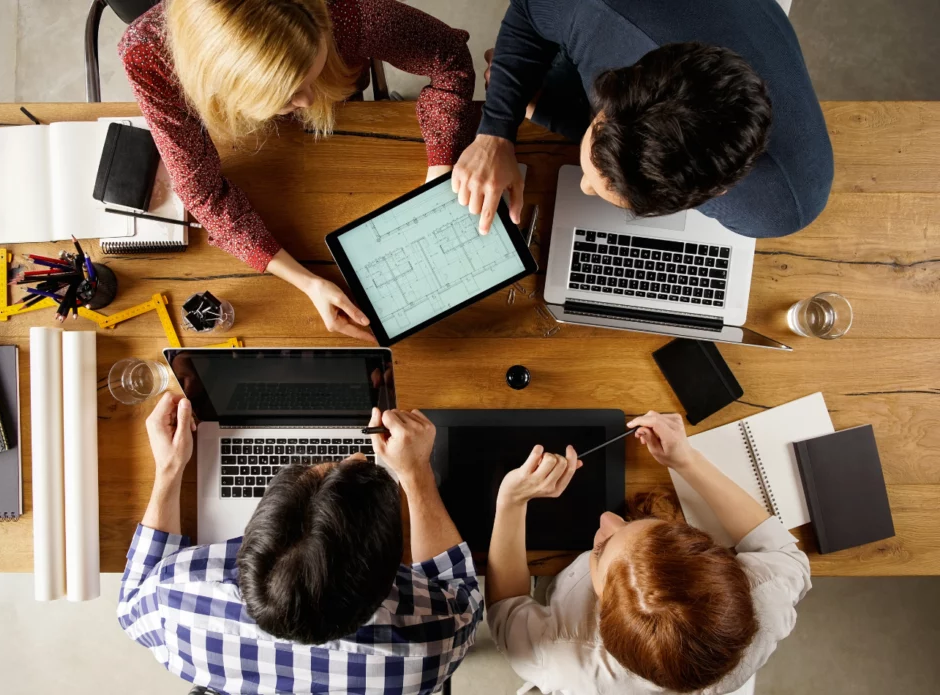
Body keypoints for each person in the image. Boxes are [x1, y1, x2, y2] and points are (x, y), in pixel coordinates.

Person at [119, 0, 477, 342]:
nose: (307, 102)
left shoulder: (344, 14)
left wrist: (440, 169)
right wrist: (307, 282)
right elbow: (202, 193)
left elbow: (450, 59)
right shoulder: (149, 56)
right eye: (289, 94)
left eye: (310, 75)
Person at [118, 394, 482, 695]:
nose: (353, 457)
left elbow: (130, 602)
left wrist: (168, 468)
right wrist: (416, 473)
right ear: (390, 574)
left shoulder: (173, 606)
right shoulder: (433, 647)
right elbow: (460, 591)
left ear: (249, 545)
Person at [486, 411, 811, 695]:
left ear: (603, 615)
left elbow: (506, 609)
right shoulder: (766, 596)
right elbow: (779, 550)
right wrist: (686, 459)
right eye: (653, 525)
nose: (607, 518)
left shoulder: (561, 657)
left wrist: (511, 502)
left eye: (600, 550)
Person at [452, 0, 833, 239]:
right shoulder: (595, 10)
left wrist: (545, 108)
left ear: (719, 193)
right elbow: (528, 9)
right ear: (615, 86)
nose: (584, 186)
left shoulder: (779, 207)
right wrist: (496, 131)